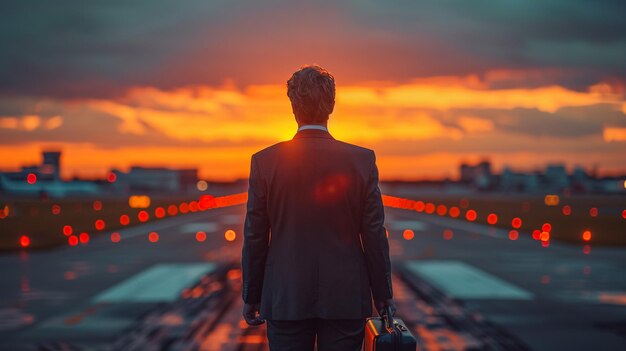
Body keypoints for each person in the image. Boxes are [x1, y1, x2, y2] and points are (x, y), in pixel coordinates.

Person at [241, 65, 394, 351]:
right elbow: (373, 233)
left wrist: (252, 293)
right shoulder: (361, 160)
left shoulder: (265, 162)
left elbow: (255, 236)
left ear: (292, 106)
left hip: (285, 296)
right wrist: (383, 293)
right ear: (332, 105)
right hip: (345, 297)